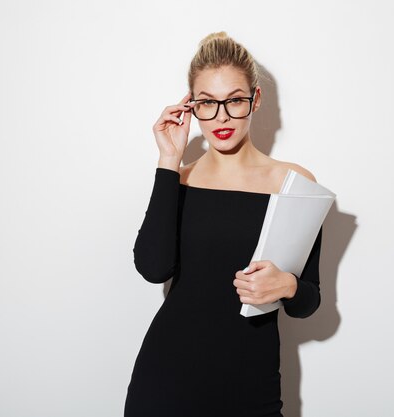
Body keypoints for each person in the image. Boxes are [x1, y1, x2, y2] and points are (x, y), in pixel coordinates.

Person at [124, 31, 324, 417]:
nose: (221, 117)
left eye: (234, 101)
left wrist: (287, 285)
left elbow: (308, 301)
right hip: (167, 380)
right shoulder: (178, 180)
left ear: (255, 99)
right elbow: (153, 268)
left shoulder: (293, 184)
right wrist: (168, 161)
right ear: (191, 106)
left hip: (251, 385)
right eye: (207, 103)